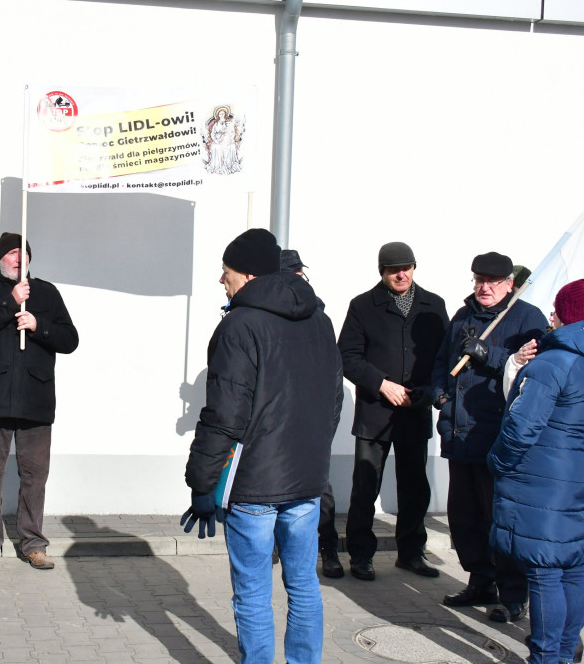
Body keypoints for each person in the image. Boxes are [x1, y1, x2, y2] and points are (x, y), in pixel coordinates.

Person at [183, 229, 343, 663]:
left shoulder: (239, 325)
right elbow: (333, 402)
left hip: (253, 483)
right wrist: (311, 455)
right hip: (307, 480)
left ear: (249, 275)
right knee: (304, 585)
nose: (222, 280)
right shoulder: (320, 320)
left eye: (226, 271)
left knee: (253, 592)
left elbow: (224, 415)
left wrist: (202, 483)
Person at [490, 279, 584, 664]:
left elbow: (520, 427)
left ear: (571, 315)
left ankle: (545, 658)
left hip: (541, 483)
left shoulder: (552, 363)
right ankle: (564, 655)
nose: (551, 316)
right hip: (581, 480)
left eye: (557, 309)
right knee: (572, 567)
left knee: (545, 573)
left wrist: (497, 462)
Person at [431, 251, 546, 622]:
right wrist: (439, 393)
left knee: (502, 519)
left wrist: (489, 355)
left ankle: (514, 596)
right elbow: (440, 362)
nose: (483, 287)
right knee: (465, 518)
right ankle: (480, 580)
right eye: (478, 280)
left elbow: (534, 370)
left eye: (492, 281)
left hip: (497, 436)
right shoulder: (463, 316)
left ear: (509, 284)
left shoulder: (528, 318)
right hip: (459, 434)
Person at [0, 232, 79, 571]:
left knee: (34, 478)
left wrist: (39, 325)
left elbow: (70, 339)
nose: (18, 258)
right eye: (11, 253)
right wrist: (10, 303)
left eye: (23, 253)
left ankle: (33, 543)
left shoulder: (47, 293)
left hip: (35, 399)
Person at [337, 242, 449, 581]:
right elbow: (347, 357)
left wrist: (428, 392)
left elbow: (443, 359)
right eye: (392, 269)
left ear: (414, 267)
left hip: (415, 411)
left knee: (415, 486)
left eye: (406, 267)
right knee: (365, 485)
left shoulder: (433, 306)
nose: (401, 274)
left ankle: (412, 553)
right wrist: (381, 384)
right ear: (382, 272)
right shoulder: (362, 306)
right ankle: (360, 555)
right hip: (375, 413)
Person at [280, 249, 343, 580]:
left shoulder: (319, 319)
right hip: (277, 422)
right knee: (273, 485)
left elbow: (333, 377)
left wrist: (326, 426)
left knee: (320, 487)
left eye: (299, 275)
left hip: (312, 422)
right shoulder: (266, 317)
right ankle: (280, 545)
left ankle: (328, 548)